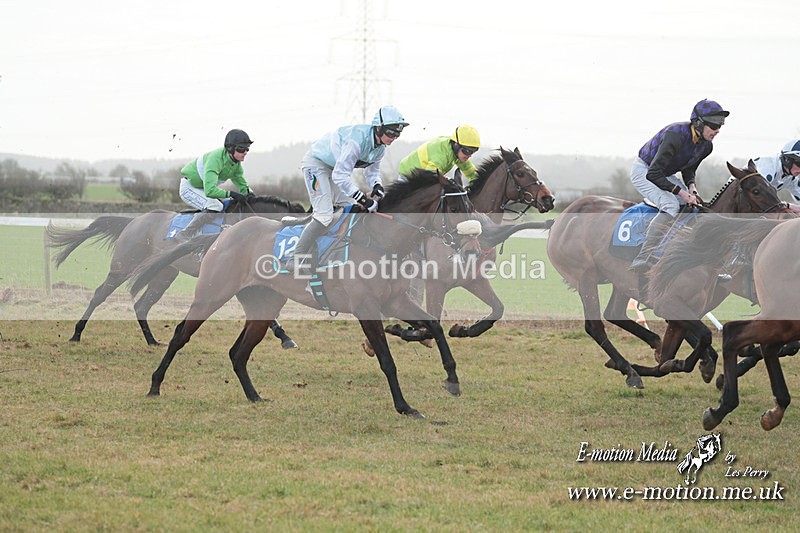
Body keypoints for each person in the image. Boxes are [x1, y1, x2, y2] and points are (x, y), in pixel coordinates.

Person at [286, 105, 409, 272]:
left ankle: (333, 250)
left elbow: (372, 173)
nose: (394, 137)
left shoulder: (380, 148)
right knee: (324, 215)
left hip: (334, 168)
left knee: (353, 208)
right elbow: (340, 176)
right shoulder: (356, 141)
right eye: (391, 132)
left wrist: (377, 185)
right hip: (316, 165)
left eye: (397, 134)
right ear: (378, 128)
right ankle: (295, 257)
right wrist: (364, 199)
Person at [629, 99, 729, 272]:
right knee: (671, 204)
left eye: (720, 125)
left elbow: (689, 169)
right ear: (698, 123)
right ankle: (643, 256)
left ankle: (676, 249)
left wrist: (691, 188)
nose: (717, 130)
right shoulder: (675, 134)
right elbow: (653, 174)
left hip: (664, 174)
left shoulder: (706, 146)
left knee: (695, 206)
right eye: (714, 125)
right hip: (644, 171)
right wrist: (682, 193)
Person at [174, 129, 254, 242]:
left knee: (231, 202)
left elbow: (242, 184)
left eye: (247, 149)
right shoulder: (215, 160)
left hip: (203, 187)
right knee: (215, 206)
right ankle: (185, 234)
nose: (245, 152)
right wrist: (232, 193)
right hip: (190, 188)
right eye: (242, 149)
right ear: (230, 148)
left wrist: (249, 193)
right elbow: (210, 191)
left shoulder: (236, 165)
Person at [397, 124, 481, 181]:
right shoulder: (443, 155)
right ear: (456, 145)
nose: (469, 155)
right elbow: (431, 177)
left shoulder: (457, 153)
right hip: (408, 176)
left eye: (473, 152)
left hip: (422, 175)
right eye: (467, 151)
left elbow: (471, 173)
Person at [752, 139, 800, 214]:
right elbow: (758, 197)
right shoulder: (768, 166)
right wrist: (786, 205)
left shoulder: (792, 178)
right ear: (787, 160)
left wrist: (787, 205)